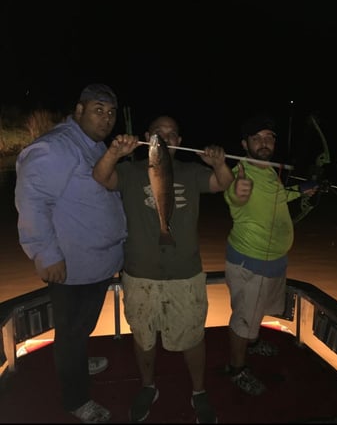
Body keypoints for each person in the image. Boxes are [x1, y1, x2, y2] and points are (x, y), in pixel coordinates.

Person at [93, 115, 234, 424]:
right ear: (147, 137)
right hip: (139, 274)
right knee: (143, 337)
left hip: (185, 274)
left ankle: (199, 392)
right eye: (159, 133)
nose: (166, 138)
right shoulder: (129, 171)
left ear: (180, 142)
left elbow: (223, 183)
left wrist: (218, 163)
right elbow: (101, 177)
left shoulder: (191, 172)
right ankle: (147, 387)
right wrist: (114, 152)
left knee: (193, 336)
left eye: (172, 134)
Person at [14, 83, 127, 423]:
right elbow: (31, 201)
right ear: (78, 110)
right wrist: (45, 254)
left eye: (110, 112)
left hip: (96, 263)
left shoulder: (93, 145)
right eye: (98, 110)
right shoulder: (55, 147)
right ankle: (76, 399)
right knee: (71, 332)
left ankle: (75, 359)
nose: (106, 118)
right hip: (71, 266)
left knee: (80, 329)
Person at [222, 114, 318, 395]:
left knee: (257, 311)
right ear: (244, 143)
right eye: (257, 138)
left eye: (269, 137)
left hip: (275, 260)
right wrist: (235, 192)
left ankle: (252, 343)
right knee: (243, 318)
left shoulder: (269, 171)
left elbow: (274, 198)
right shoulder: (239, 174)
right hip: (250, 261)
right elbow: (235, 195)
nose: (264, 143)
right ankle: (237, 369)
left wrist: (299, 190)